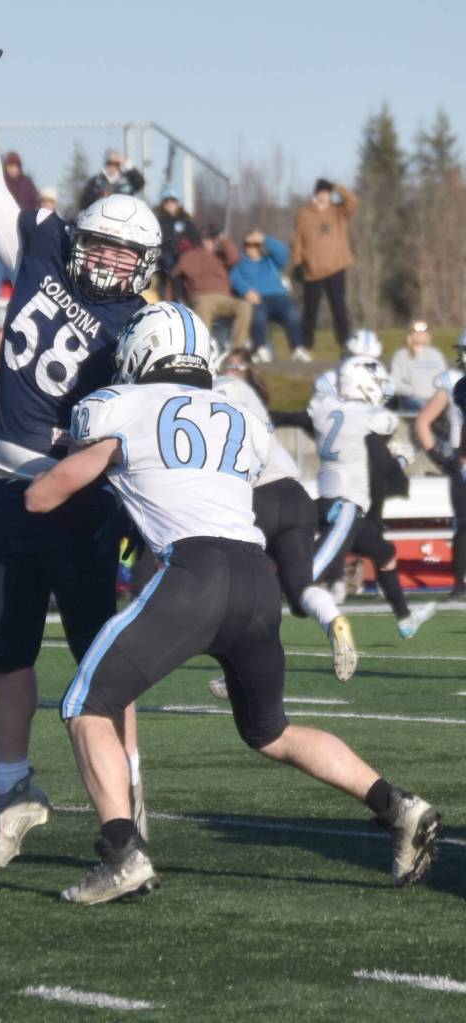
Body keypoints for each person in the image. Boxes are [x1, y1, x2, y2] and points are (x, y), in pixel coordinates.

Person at [24, 302, 441, 904]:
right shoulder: (237, 413)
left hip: (192, 571)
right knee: (271, 731)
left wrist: (44, 477)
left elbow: (50, 494)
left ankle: (121, 854)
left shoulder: (117, 405)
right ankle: (398, 805)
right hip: (256, 578)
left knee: (87, 703)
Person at [0, 23, 161, 869]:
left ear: (145, 264)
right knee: (5, 652)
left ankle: (130, 800)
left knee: (104, 664)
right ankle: (12, 787)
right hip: (1, 489)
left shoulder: (142, 329)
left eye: (124, 251)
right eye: (99, 241)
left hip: (74, 504)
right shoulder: (41, 255)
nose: (105, 258)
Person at [207, 346, 356, 696]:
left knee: (239, 588)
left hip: (256, 495)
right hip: (294, 491)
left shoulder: (202, 394)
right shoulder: (242, 388)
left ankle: (239, 669)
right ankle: (333, 619)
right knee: (301, 588)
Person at [308, 357, 436, 637]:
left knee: (386, 553)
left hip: (342, 503)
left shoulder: (335, 415)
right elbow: (380, 468)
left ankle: (405, 619)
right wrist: (401, 459)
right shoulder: (361, 421)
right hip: (345, 507)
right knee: (306, 573)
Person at [414, 330, 466, 599]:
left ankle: (459, 586)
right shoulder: (456, 383)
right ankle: (459, 585)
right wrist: (439, 456)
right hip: (462, 461)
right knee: (463, 524)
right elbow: (423, 421)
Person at [292, 178, 358, 350]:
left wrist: (337, 187)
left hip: (336, 267)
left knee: (339, 308)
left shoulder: (339, 212)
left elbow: (353, 201)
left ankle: (345, 343)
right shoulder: (305, 214)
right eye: (321, 192)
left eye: (327, 193)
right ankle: (305, 345)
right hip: (312, 271)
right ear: (316, 194)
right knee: (310, 311)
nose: (324, 196)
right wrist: (297, 263)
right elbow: (297, 240)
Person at [229, 229, 306, 362]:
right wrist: (246, 291)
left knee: (291, 311)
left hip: (278, 297)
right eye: (248, 245)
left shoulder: (270, 261)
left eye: (256, 245)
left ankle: (297, 348)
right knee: (259, 314)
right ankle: (259, 348)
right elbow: (234, 278)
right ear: (244, 246)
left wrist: (264, 238)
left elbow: (283, 252)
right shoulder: (240, 264)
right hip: (258, 299)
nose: (252, 248)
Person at [172, 225, 251, 346]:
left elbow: (235, 257)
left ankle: (237, 352)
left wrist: (222, 238)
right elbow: (174, 276)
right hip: (201, 297)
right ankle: (202, 348)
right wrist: (170, 302)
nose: (210, 241)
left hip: (224, 299)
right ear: (200, 239)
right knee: (204, 306)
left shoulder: (221, 257)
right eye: (207, 238)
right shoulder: (188, 257)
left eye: (213, 238)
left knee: (245, 306)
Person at [390, 320, 447, 416]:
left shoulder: (436, 354)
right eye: (416, 332)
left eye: (423, 332)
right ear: (410, 334)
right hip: (411, 401)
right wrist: (411, 391)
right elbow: (394, 382)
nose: (420, 335)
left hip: (435, 400)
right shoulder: (401, 355)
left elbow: (445, 378)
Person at [154, 186, 199, 287]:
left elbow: (197, 239)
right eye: (167, 201)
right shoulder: (158, 221)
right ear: (163, 204)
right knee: (169, 264)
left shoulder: (186, 221)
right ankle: (171, 295)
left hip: (185, 256)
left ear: (178, 203)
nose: (170, 204)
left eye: (173, 201)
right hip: (165, 257)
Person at [80, 148, 145, 209]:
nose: (113, 167)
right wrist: (99, 196)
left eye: (116, 164)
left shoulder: (127, 181)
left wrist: (127, 163)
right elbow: (85, 201)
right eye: (110, 163)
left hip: (124, 213)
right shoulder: (96, 181)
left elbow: (140, 183)